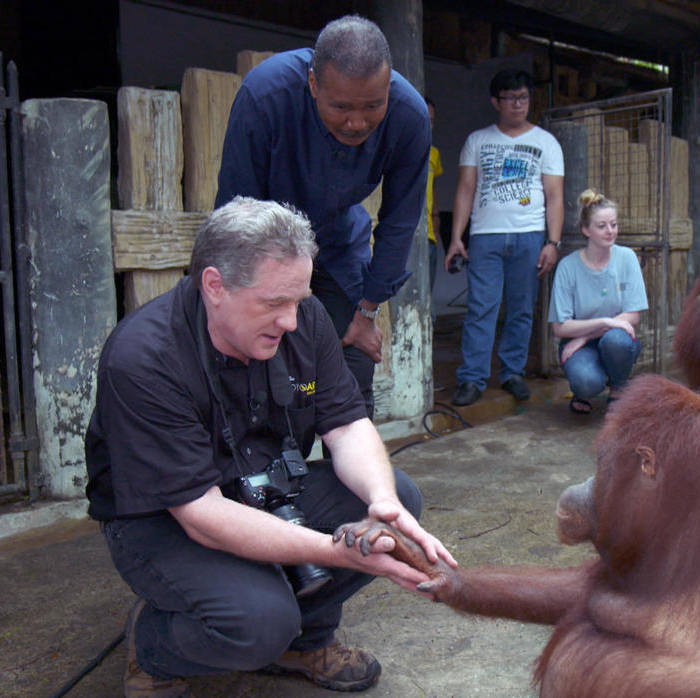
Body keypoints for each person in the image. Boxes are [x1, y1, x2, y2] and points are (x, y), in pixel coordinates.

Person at [85, 197, 455, 696]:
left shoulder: (306, 317)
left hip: (264, 488)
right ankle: (155, 646)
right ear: (215, 286)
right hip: (166, 516)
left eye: (298, 300)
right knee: (259, 622)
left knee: (394, 501)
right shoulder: (144, 358)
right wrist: (338, 551)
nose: (292, 322)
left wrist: (381, 503)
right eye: (273, 304)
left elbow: (346, 426)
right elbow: (202, 515)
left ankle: (303, 640)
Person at [215, 15, 430, 419]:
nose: (357, 122)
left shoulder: (409, 117)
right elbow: (235, 214)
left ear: (389, 87)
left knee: (355, 363)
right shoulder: (265, 96)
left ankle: (350, 478)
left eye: (373, 105)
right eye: (341, 107)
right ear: (313, 84)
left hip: (335, 246)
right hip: (262, 249)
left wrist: (366, 313)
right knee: (256, 364)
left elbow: (400, 222)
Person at [445, 68, 564, 406]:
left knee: (522, 309)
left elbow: (555, 195)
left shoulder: (546, 142)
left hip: (530, 234)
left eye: (523, 98)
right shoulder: (478, 141)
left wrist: (552, 242)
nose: (517, 104)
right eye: (510, 98)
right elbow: (466, 189)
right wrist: (457, 237)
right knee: (481, 308)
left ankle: (512, 373)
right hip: (486, 236)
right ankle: (472, 378)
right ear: (495, 101)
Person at [548, 190, 648, 414]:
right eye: (601, 226)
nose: (610, 231)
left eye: (613, 224)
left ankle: (618, 389)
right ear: (586, 230)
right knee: (586, 382)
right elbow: (560, 327)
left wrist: (584, 336)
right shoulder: (568, 267)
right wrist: (607, 322)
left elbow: (634, 315)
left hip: (614, 340)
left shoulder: (627, 258)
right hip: (580, 344)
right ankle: (583, 390)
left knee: (617, 340)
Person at [424, 96, 443, 293]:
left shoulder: (434, 154)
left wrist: (436, 220)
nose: (427, 125)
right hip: (410, 235)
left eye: (431, 121)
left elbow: (433, 188)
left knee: (427, 294)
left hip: (430, 234)